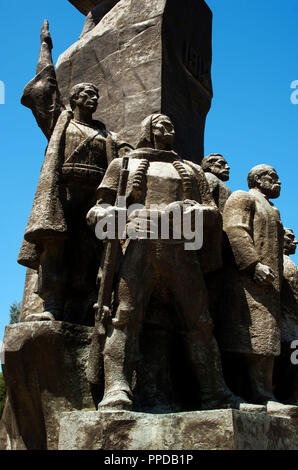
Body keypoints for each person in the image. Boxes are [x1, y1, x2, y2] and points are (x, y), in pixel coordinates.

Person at [87, 113, 243, 411]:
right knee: (124, 318)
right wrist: (106, 215)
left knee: (200, 322)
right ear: (148, 130)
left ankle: (214, 390)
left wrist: (193, 209)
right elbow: (98, 208)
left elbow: (213, 213)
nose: (168, 127)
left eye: (171, 124)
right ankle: (116, 388)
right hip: (138, 245)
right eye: (161, 124)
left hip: (182, 249)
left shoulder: (192, 169)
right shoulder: (123, 164)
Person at [18, 21, 131, 324]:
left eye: (95, 94)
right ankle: (52, 304)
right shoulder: (60, 122)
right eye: (87, 93)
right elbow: (44, 88)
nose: (93, 98)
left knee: (88, 252)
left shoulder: (108, 135)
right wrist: (45, 47)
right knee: (56, 249)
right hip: (64, 193)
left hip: (95, 198)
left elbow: (128, 154)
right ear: (75, 99)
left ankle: (83, 308)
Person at [220, 164, 298, 414]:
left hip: (268, 287)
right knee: (250, 337)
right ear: (257, 179)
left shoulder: (272, 208)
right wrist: (253, 264)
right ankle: (258, 394)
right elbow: (235, 229)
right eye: (272, 177)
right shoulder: (243, 197)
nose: (278, 182)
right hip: (248, 281)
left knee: (267, 340)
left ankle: (264, 392)